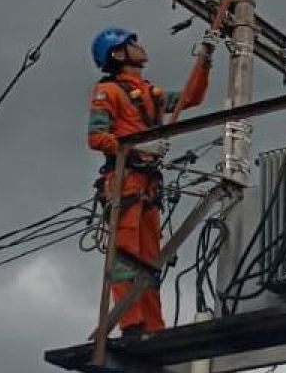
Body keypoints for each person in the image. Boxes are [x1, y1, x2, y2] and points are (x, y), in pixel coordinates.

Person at [87, 27, 213, 339]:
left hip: (148, 184)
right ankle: (132, 323)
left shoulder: (148, 93)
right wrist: (136, 146)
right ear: (117, 54)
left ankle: (154, 326)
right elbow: (96, 137)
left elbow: (188, 98)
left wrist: (205, 61)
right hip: (125, 180)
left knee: (149, 258)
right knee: (127, 254)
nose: (140, 47)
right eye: (132, 44)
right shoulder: (109, 92)